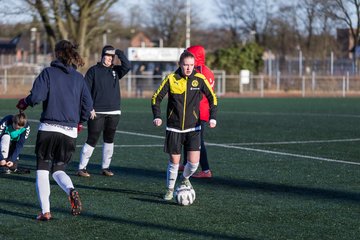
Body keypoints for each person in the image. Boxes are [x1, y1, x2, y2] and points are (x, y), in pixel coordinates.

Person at [16, 40, 94, 221]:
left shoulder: (48, 73)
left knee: (43, 170)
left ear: (57, 53)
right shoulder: (79, 78)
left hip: (49, 128)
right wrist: (80, 122)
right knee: (59, 169)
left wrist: (25, 102)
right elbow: (88, 106)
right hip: (70, 132)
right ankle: (70, 189)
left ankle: (46, 211)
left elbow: (36, 97)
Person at [151, 50, 218, 201]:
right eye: (185, 65)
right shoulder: (171, 79)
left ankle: (185, 178)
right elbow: (156, 98)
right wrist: (157, 116)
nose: (189, 68)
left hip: (193, 128)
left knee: (193, 164)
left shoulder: (199, 79)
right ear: (180, 64)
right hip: (174, 128)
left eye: (191, 65)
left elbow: (212, 98)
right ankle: (169, 190)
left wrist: (213, 117)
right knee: (174, 162)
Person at [77, 45, 131, 177]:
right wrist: (89, 108)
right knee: (92, 138)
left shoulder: (116, 71)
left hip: (114, 112)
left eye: (111, 57)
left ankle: (105, 167)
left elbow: (127, 66)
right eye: (107, 56)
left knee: (109, 139)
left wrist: (118, 52)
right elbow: (85, 91)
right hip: (97, 112)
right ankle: (81, 168)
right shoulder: (93, 71)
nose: (109, 59)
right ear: (102, 56)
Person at [180, 45, 215, 178]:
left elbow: (198, 94)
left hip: (198, 111)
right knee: (186, 136)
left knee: (198, 141)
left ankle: (206, 170)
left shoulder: (199, 72)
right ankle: (185, 163)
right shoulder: (207, 71)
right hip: (199, 110)